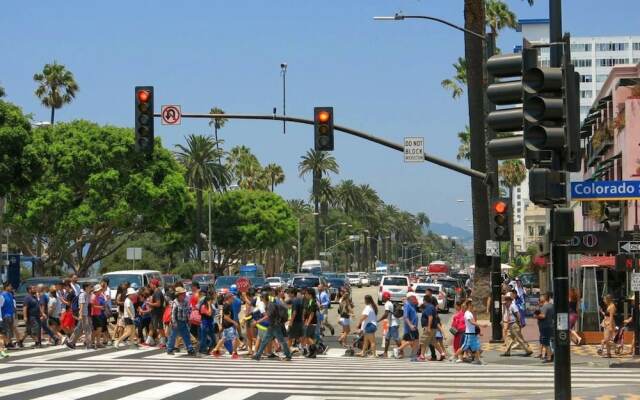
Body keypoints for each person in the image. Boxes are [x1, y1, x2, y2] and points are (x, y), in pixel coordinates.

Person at [253, 291, 292, 361]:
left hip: (275, 326)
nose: (260, 298)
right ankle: (258, 355)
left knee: (282, 341)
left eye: (261, 297)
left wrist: (257, 322)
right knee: (265, 341)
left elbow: (267, 316)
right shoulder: (268, 304)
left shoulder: (270, 305)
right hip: (272, 326)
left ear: (263, 298)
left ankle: (288, 355)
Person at [166, 287, 196, 356]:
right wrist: (174, 322)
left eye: (184, 294)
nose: (184, 295)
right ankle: (169, 349)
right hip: (176, 322)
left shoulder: (185, 302)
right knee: (173, 336)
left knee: (186, 335)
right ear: (178, 295)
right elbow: (173, 314)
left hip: (183, 322)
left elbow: (188, 311)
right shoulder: (175, 302)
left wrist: (188, 319)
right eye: (183, 294)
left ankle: (190, 349)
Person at [212, 293, 241, 359]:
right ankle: (234, 353)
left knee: (224, 338)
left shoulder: (225, 305)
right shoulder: (227, 306)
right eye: (232, 298)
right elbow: (225, 317)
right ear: (229, 298)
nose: (233, 300)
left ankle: (215, 350)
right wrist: (234, 322)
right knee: (234, 338)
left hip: (226, 325)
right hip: (229, 325)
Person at [67, 282, 93, 350]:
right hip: (83, 314)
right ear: (86, 287)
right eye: (90, 286)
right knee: (88, 330)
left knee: (79, 329)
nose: (91, 288)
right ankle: (88, 345)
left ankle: (70, 342)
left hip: (85, 314)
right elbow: (81, 305)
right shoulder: (82, 295)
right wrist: (81, 315)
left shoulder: (87, 294)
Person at [456, 299, 482, 364]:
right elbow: (472, 322)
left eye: (472, 305)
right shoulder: (467, 313)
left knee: (476, 347)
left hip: (472, 333)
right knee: (463, 347)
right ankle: (454, 356)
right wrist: (481, 325)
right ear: (468, 306)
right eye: (471, 305)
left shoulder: (470, 313)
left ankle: (478, 360)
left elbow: (474, 321)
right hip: (469, 334)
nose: (472, 306)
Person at [396, 294, 419, 361]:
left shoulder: (410, 305)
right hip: (412, 327)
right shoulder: (407, 305)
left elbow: (406, 316)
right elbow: (406, 316)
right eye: (413, 298)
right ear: (409, 298)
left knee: (413, 341)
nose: (415, 299)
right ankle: (398, 349)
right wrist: (410, 325)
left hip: (412, 327)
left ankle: (413, 356)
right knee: (413, 341)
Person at [377, 291, 400, 358]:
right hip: (391, 323)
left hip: (393, 324)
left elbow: (386, 314)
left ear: (385, 297)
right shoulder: (389, 303)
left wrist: (378, 320)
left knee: (396, 339)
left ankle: (401, 352)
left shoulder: (387, 304)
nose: (382, 298)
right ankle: (385, 353)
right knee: (387, 339)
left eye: (383, 297)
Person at [418, 289, 438, 361]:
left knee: (423, 341)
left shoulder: (430, 305)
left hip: (429, 327)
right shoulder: (429, 306)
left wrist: (429, 327)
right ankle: (441, 353)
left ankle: (422, 355)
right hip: (432, 326)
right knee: (432, 342)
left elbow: (430, 316)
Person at [534, 292, 554, 363]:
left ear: (544, 298)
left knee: (546, 342)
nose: (539, 299)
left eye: (541, 297)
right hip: (550, 325)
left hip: (545, 326)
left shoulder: (545, 306)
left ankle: (549, 357)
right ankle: (551, 354)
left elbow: (543, 316)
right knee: (547, 341)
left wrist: (536, 316)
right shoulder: (551, 305)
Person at [148, 278, 167, 348]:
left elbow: (158, 304)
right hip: (156, 312)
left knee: (160, 327)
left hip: (158, 312)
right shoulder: (156, 292)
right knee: (155, 326)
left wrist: (150, 303)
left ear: (154, 285)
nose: (150, 286)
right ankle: (151, 341)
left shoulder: (157, 292)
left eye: (151, 284)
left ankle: (163, 342)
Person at [302, 288, 319, 358]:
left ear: (310, 294)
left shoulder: (312, 301)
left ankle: (314, 349)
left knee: (307, 336)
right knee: (310, 337)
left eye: (306, 294)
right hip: (310, 321)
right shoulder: (310, 301)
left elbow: (312, 313)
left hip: (311, 322)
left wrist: (308, 322)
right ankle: (312, 353)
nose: (305, 295)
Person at [1, 283, 17, 348]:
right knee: (6, 330)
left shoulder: (10, 294)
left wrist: (14, 313)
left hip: (11, 314)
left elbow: (12, 305)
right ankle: (6, 343)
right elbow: (1, 306)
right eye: (10, 286)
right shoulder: (2, 295)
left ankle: (9, 342)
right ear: (6, 287)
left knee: (10, 330)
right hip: (5, 315)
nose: (11, 287)